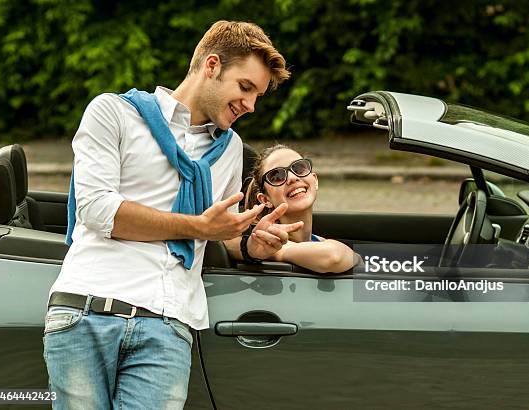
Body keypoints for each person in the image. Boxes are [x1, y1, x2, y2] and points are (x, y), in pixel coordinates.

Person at [43, 21, 300, 409]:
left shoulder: (230, 150)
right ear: (211, 65)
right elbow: (97, 210)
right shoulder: (113, 112)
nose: (251, 105)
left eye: (258, 96)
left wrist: (251, 243)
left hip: (167, 323)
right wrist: (198, 226)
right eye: (245, 88)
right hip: (87, 309)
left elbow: (219, 231)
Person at [245, 144, 361, 273]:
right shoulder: (267, 243)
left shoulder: (317, 240)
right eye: (277, 176)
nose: (292, 178)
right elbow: (333, 257)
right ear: (265, 200)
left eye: (299, 168)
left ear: (315, 180)